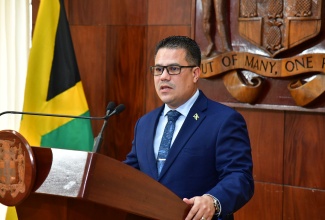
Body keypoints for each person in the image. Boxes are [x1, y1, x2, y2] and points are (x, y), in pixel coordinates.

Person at [124, 36, 254, 220]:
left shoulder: (223, 120)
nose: (163, 76)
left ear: (195, 74)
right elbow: (130, 174)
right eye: (158, 69)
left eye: (173, 69)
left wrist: (212, 201)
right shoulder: (144, 123)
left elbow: (240, 177)